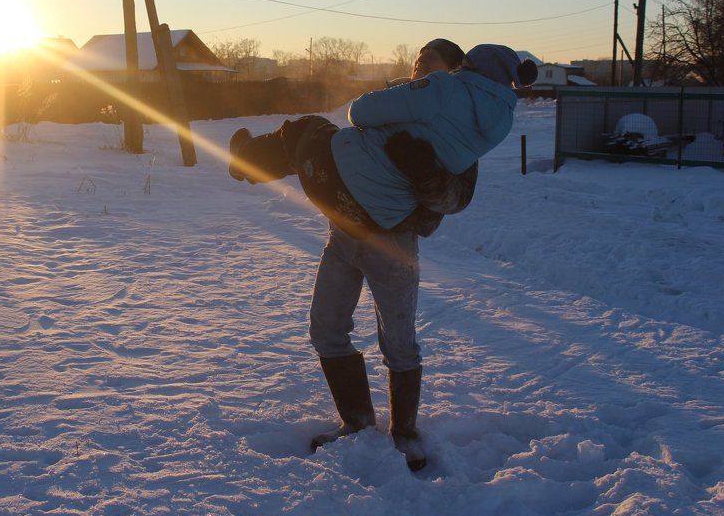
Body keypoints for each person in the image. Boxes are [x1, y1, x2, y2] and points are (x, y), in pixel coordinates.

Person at [228, 42, 537, 470]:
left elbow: (454, 199)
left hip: (393, 242)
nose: (420, 65)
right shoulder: (416, 105)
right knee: (326, 327)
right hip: (344, 232)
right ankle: (355, 423)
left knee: (398, 340)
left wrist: (423, 170)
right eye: (418, 60)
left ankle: (405, 434)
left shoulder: (452, 112)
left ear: (455, 70)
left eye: (431, 61)